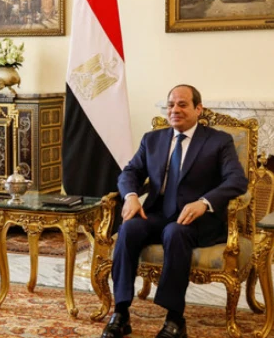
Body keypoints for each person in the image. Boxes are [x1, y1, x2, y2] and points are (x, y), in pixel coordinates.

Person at [100, 85, 248, 338]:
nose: (175, 110)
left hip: (198, 220)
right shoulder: (152, 139)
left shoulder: (218, 140)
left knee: (175, 232)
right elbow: (130, 173)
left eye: (182, 104)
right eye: (170, 105)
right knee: (129, 228)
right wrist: (132, 196)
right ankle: (121, 313)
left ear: (198, 109)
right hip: (157, 213)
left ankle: (175, 319)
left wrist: (204, 202)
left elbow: (237, 180)